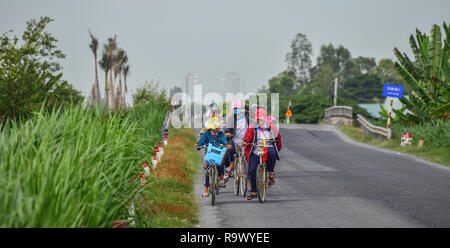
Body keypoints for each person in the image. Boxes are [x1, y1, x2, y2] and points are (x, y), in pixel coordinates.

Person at [242, 108, 282, 200]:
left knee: (272, 154)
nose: (260, 120)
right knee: (252, 169)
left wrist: (277, 147)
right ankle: (254, 190)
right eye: (259, 119)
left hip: (268, 147)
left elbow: (277, 137)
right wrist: (246, 141)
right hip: (256, 148)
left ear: (265, 118)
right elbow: (248, 136)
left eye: (262, 118)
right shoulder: (252, 126)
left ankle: (271, 171)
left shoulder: (270, 126)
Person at [194, 117, 231, 198]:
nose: (219, 128)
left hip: (218, 151)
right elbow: (201, 141)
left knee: (221, 163)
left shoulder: (221, 134)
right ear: (213, 128)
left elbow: (224, 140)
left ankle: (221, 178)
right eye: (218, 127)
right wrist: (198, 145)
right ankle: (206, 190)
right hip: (209, 152)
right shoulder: (207, 133)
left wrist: (226, 144)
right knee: (208, 170)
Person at [224, 100, 249, 179]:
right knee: (229, 149)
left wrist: (245, 106)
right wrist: (227, 133)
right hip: (235, 140)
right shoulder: (232, 118)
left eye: (237, 108)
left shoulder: (247, 115)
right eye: (234, 108)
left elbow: (255, 111)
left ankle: (249, 179)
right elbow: (227, 128)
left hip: (246, 140)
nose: (236, 109)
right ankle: (231, 164)